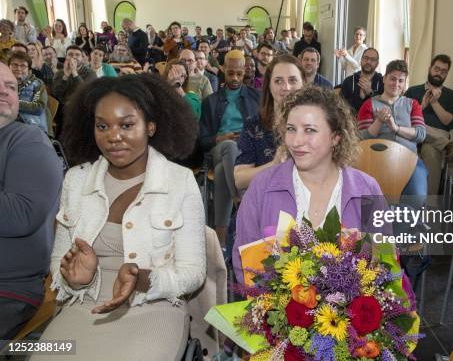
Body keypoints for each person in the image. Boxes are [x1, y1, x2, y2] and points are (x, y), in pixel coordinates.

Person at [32, 74, 205, 361]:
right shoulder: (76, 181)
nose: (113, 136)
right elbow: (59, 263)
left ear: (150, 126)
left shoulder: (179, 181)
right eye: (103, 126)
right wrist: (77, 279)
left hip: (153, 308)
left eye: (127, 125)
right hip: (82, 306)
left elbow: (193, 272)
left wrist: (143, 280)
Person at [233, 86, 386, 285]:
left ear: (335, 137)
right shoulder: (262, 187)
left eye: (310, 130)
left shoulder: (367, 189)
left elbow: (384, 260)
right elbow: (245, 264)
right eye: (290, 129)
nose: (296, 141)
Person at [0, 62, 63, 340]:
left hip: (8, 289)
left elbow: (21, 215)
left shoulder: (28, 140)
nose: (4, 92)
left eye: (11, 87)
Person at [199, 50, 260, 244]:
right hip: (220, 148)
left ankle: (221, 240)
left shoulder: (255, 97)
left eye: (239, 74)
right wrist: (219, 137)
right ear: (223, 69)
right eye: (230, 73)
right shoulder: (211, 101)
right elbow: (201, 140)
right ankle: (239, 199)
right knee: (229, 147)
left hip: (247, 151)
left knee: (220, 172)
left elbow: (263, 129)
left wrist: (248, 136)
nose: (234, 78)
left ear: (245, 71)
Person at [358, 59, 428, 202]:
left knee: (418, 197)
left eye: (401, 81)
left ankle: (406, 222)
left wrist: (395, 128)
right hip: (376, 159)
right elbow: (361, 139)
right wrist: (379, 122)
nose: (396, 84)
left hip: (409, 158)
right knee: (368, 199)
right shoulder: (369, 104)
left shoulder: (412, 104)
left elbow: (421, 134)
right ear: (384, 79)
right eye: (392, 79)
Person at [234, 54, 306, 192]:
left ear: (303, 83)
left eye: (292, 80)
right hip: (267, 200)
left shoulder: (317, 123)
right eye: (278, 81)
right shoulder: (253, 125)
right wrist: (274, 164)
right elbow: (239, 180)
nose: (286, 87)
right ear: (269, 86)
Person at [406, 54, 453, 194]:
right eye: (436, 69)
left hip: (437, 136)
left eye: (443, 71)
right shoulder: (413, 91)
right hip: (413, 134)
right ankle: (448, 145)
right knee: (417, 126)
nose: (439, 73)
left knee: (431, 152)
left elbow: (450, 122)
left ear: (447, 74)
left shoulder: (452, 95)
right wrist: (422, 106)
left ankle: (428, 206)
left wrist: (435, 102)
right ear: (430, 68)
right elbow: (404, 117)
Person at [8, 52, 51, 135]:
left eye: (23, 66)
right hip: (8, 124)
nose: (18, 68)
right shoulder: (3, 83)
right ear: (8, 67)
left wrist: (12, 103)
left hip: (32, 127)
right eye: (15, 65)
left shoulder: (37, 84)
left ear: (29, 70)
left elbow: (38, 107)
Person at [340, 47, 383, 112]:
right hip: (351, 120)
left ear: (377, 64)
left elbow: (383, 106)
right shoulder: (348, 81)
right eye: (366, 58)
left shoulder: (382, 82)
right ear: (361, 60)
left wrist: (371, 93)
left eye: (372, 59)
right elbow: (341, 106)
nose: (368, 61)